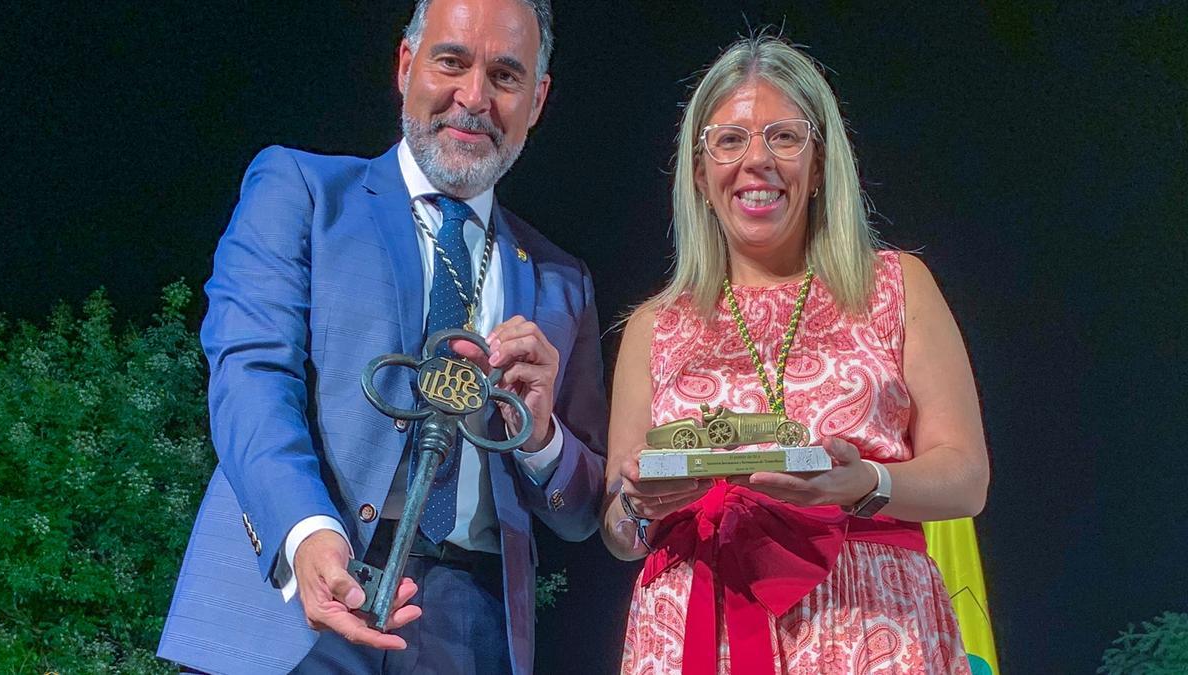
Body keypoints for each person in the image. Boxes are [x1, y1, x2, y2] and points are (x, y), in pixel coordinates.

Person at [158, 1, 607, 673]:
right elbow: (250, 381)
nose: (474, 97)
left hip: (468, 624)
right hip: (290, 594)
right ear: (406, 66)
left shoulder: (561, 281)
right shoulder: (302, 191)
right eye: (451, 62)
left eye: (506, 77)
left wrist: (542, 439)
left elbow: (583, 507)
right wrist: (308, 534)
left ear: (537, 100)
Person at [601, 34, 989, 674]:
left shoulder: (896, 285)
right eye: (729, 140)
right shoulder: (652, 325)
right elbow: (619, 530)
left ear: (819, 163)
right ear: (700, 175)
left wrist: (867, 482)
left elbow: (967, 477)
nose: (757, 161)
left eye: (784, 137)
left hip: (870, 621)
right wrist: (641, 505)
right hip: (697, 620)